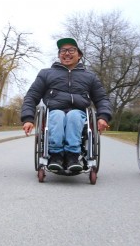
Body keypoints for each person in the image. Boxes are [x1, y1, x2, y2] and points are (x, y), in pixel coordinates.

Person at [21, 38, 112, 173]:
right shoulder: (46, 74)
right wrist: (28, 118)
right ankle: (56, 156)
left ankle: (72, 156)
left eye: (71, 50)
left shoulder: (90, 76)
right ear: (59, 55)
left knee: (74, 115)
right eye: (63, 50)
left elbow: (102, 99)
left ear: (79, 55)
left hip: (79, 113)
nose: (67, 53)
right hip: (54, 111)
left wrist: (103, 116)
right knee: (57, 115)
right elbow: (32, 96)